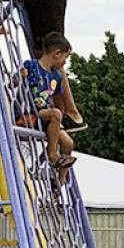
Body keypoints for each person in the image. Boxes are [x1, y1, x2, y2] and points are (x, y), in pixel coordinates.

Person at [15, 31, 85, 174]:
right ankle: (52, 154)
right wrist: (19, 77)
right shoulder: (31, 65)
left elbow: (58, 102)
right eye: (65, 58)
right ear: (57, 54)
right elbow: (12, 84)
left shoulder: (56, 76)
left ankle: (58, 182)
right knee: (55, 114)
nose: (65, 63)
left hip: (45, 117)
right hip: (29, 114)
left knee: (68, 143)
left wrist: (62, 123)